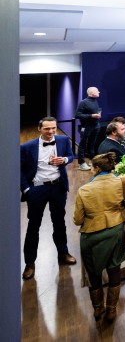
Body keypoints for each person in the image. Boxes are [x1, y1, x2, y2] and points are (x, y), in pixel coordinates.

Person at [73, 152, 125, 322]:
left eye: (91, 167)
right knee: (114, 269)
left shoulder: (84, 190)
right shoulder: (122, 183)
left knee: (94, 273)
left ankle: (98, 309)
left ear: (96, 169)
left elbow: (77, 220)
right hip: (116, 231)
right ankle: (111, 309)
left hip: (91, 236)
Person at [20, 116, 77, 280]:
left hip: (58, 187)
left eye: (53, 128)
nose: (51, 131)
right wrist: (26, 190)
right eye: (47, 128)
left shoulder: (63, 140)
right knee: (34, 226)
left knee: (59, 222)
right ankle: (29, 262)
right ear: (39, 129)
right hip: (37, 189)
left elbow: (71, 155)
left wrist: (64, 160)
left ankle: (63, 252)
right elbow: (20, 170)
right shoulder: (27, 147)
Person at [75, 86, 102, 169]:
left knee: (92, 144)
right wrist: (91, 115)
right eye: (97, 91)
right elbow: (77, 115)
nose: (99, 92)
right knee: (82, 144)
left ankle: (92, 160)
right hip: (86, 127)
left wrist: (97, 115)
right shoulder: (83, 102)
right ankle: (81, 163)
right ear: (92, 93)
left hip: (95, 126)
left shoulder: (95, 101)